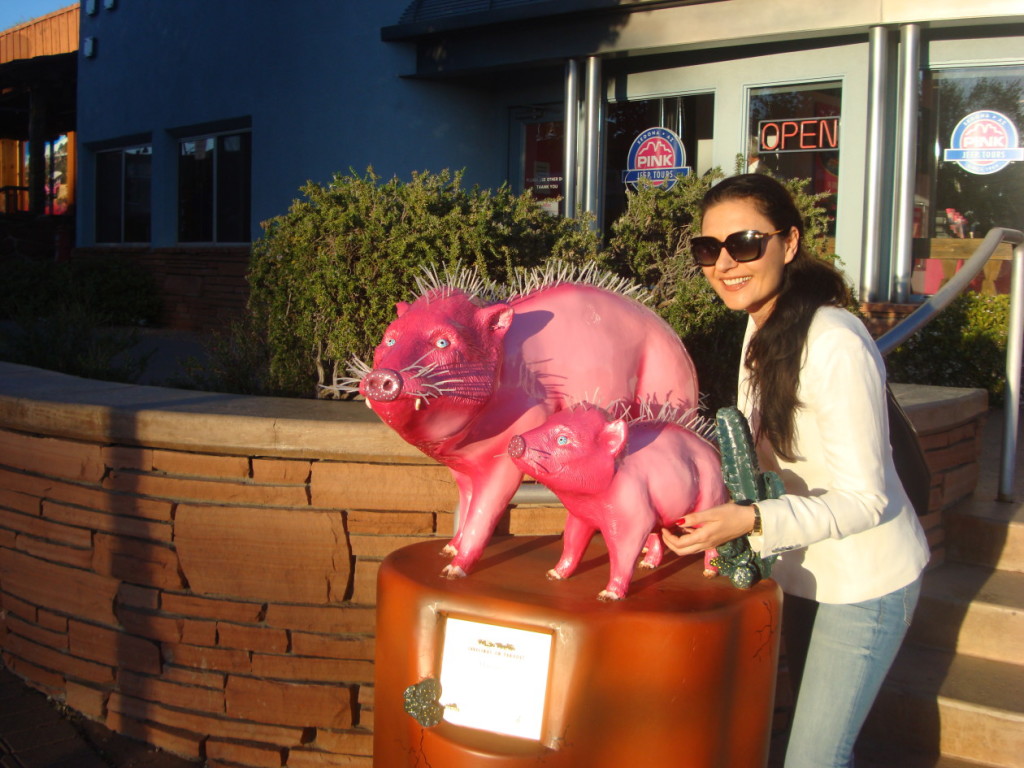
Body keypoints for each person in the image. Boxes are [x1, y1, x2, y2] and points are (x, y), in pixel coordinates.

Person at [662, 173, 930, 768]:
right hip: (805, 570)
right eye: (709, 249)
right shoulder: (757, 325)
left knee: (813, 757)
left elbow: (867, 498)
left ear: (789, 242)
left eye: (746, 244)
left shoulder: (834, 341)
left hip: (864, 583)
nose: (725, 263)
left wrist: (749, 519)